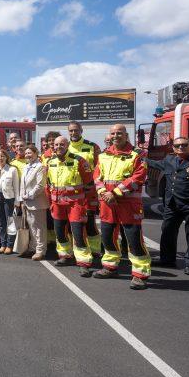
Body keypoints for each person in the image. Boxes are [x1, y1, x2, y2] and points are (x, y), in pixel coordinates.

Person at [93, 125, 150, 289]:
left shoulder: (137, 155)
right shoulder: (103, 155)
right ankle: (110, 267)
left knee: (134, 240)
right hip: (107, 204)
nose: (116, 136)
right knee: (108, 237)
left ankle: (140, 275)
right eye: (113, 133)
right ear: (109, 135)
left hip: (128, 205)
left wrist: (115, 192)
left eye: (119, 133)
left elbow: (138, 177)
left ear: (126, 135)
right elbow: (97, 176)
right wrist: (104, 192)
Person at [148, 136, 189, 275]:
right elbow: (153, 164)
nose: (180, 147)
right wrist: (138, 156)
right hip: (171, 204)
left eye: (184, 145)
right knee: (167, 231)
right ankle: (167, 259)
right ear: (173, 148)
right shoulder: (169, 160)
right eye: (177, 145)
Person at [46, 136, 94, 277]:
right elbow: (48, 185)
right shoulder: (50, 162)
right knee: (60, 232)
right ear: (53, 146)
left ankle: (84, 263)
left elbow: (89, 183)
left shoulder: (78, 160)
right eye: (56, 144)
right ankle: (65, 256)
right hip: (57, 204)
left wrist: (87, 204)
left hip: (75, 204)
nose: (58, 147)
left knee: (78, 234)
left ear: (67, 145)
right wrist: (50, 202)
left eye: (62, 144)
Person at [67, 121, 103, 258]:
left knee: (89, 222)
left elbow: (100, 168)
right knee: (73, 223)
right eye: (71, 131)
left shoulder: (92, 146)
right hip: (72, 193)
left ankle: (95, 250)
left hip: (89, 192)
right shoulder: (66, 147)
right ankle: (76, 249)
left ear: (81, 130)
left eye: (76, 130)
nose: (73, 133)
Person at [19, 145, 48, 260]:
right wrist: (22, 199)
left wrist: (28, 196)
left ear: (36, 153)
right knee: (31, 226)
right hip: (26, 202)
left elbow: (40, 186)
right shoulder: (26, 167)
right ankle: (32, 248)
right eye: (26, 153)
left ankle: (41, 250)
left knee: (39, 227)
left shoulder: (40, 167)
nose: (27, 155)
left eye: (30, 153)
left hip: (37, 202)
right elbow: (22, 185)